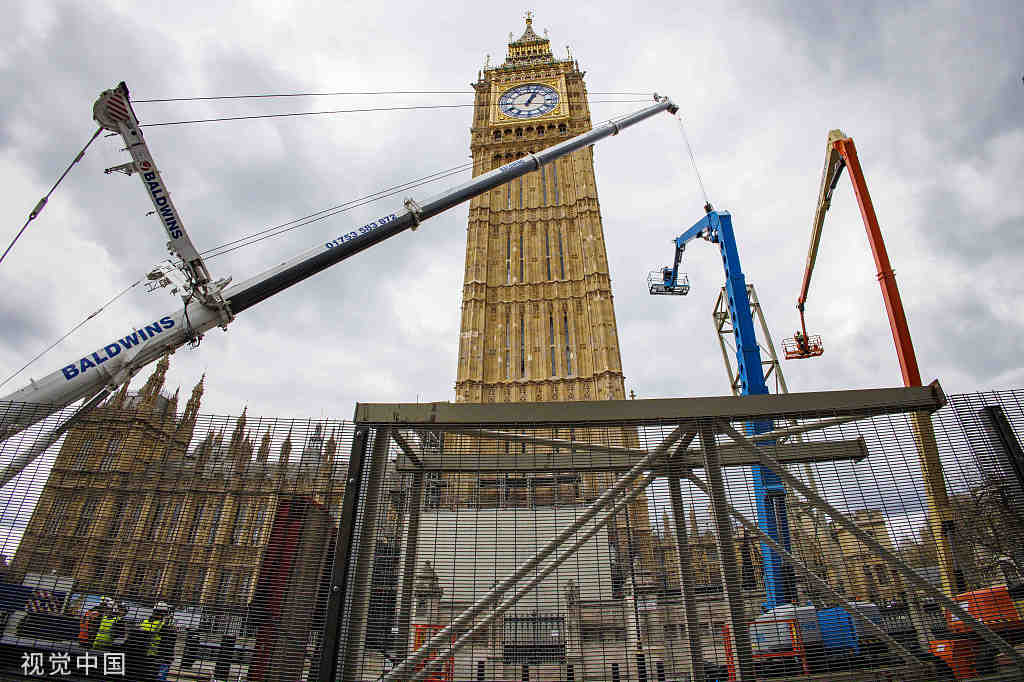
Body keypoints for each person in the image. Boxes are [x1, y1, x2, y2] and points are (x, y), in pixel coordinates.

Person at [138, 602, 177, 682]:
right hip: (153, 657)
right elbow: (168, 643)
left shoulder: (143, 622)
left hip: (140, 656)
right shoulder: (162, 625)